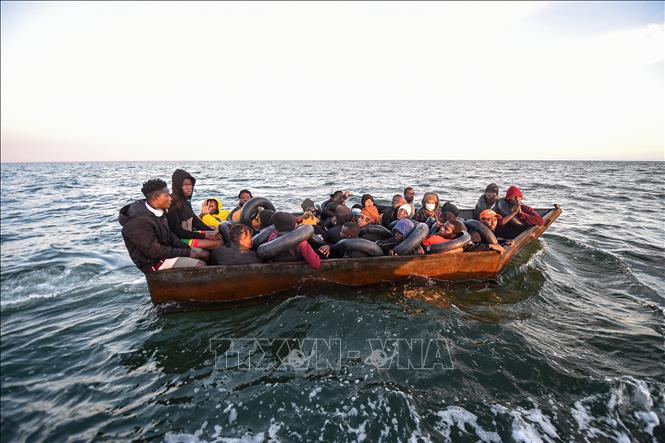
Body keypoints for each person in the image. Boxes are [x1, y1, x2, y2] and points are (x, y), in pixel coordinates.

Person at [119, 178, 208, 273]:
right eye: (166, 195)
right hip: (152, 262)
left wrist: (186, 249)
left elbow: (169, 234)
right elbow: (154, 252)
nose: (170, 198)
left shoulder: (157, 209)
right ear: (155, 198)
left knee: (205, 254)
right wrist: (187, 253)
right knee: (201, 265)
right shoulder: (139, 222)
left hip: (166, 251)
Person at [167, 169, 223, 250]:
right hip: (180, 240)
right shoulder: (171, 203)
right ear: (177, 185)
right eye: (185, 185)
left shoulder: (185, 201)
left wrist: (211, 230)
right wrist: (205, 235)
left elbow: (195, 221)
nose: (189, 188)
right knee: (219, 243)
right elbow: (178, 232)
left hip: (189, 234)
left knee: (219, 233)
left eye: (190, 185)